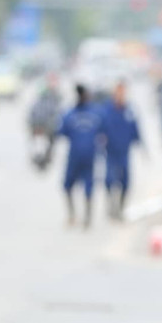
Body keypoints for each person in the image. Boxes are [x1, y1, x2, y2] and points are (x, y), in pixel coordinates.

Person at [58, 84, 105, 228]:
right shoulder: (71, 113)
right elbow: (62, 131)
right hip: (75, 157)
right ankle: (72, 215)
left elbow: (104, 133)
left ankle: (87, 218)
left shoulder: (95, 113)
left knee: (88, 187)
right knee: (67, 185)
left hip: (88, 157)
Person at [102, 81, 143, 220]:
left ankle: (120, 207)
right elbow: (101, 128)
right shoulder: (107, 110)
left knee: (125, 181)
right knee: (110, 179)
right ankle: (111, 205)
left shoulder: (129, 110)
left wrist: (139, 143)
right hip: (111, 151)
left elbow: (135, 128)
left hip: (124, 151)